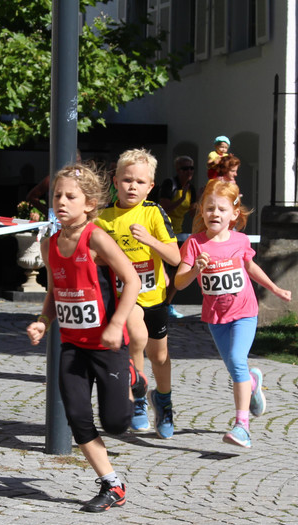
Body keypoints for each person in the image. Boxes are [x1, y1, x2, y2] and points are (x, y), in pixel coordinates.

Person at [26, 163, 145, 513]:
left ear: (90, 204)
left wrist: (116, 324)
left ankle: (134, 377)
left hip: (107, 345)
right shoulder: (49, 244)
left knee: (117, 423)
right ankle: (112, 484)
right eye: (57, 196)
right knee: (77, 416)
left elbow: (132, 281)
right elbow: (54, 291)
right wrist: (43, 321)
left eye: (70, 196)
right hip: (73, 346)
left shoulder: (96, 238)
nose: (61, 202)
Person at [174, 179, 291, 449]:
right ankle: (253, 382)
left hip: (245, 312)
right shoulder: (194, 243)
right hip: (216, 317)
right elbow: (179, 283)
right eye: (209, 208)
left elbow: (250, 267)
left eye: (222, 209)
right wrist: (195, 269)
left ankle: (242, 427)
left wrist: (274, 288)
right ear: (201, 211)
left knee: (238, 360)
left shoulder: (240, 240)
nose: (215, 214)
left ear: (234, 214)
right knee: (234, 368)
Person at [96, 148, 181, 439]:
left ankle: (164, 401)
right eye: (127, 180)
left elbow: (175, 257)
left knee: (159, 356)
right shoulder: (103, 217)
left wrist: (150, 241)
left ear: (150, 187)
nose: (133, 186)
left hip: (154, 296)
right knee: (136, 335)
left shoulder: (153, 212)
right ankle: (139, 398)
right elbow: (92, 255)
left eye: (140, 182)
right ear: (115, 181)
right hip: (124, 297)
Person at [157, 155, 197, 319]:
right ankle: (156, 303)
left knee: (177, 270)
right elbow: (164, 208)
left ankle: (166, 303)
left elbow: (193, 213)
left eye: (191, 168)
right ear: (177, 170)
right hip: (161, 233)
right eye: (185, 168)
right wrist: (181, 198)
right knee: (161, 270)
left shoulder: (191, 188)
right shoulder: (170, 184)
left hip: (178, 234)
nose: (189, 172)